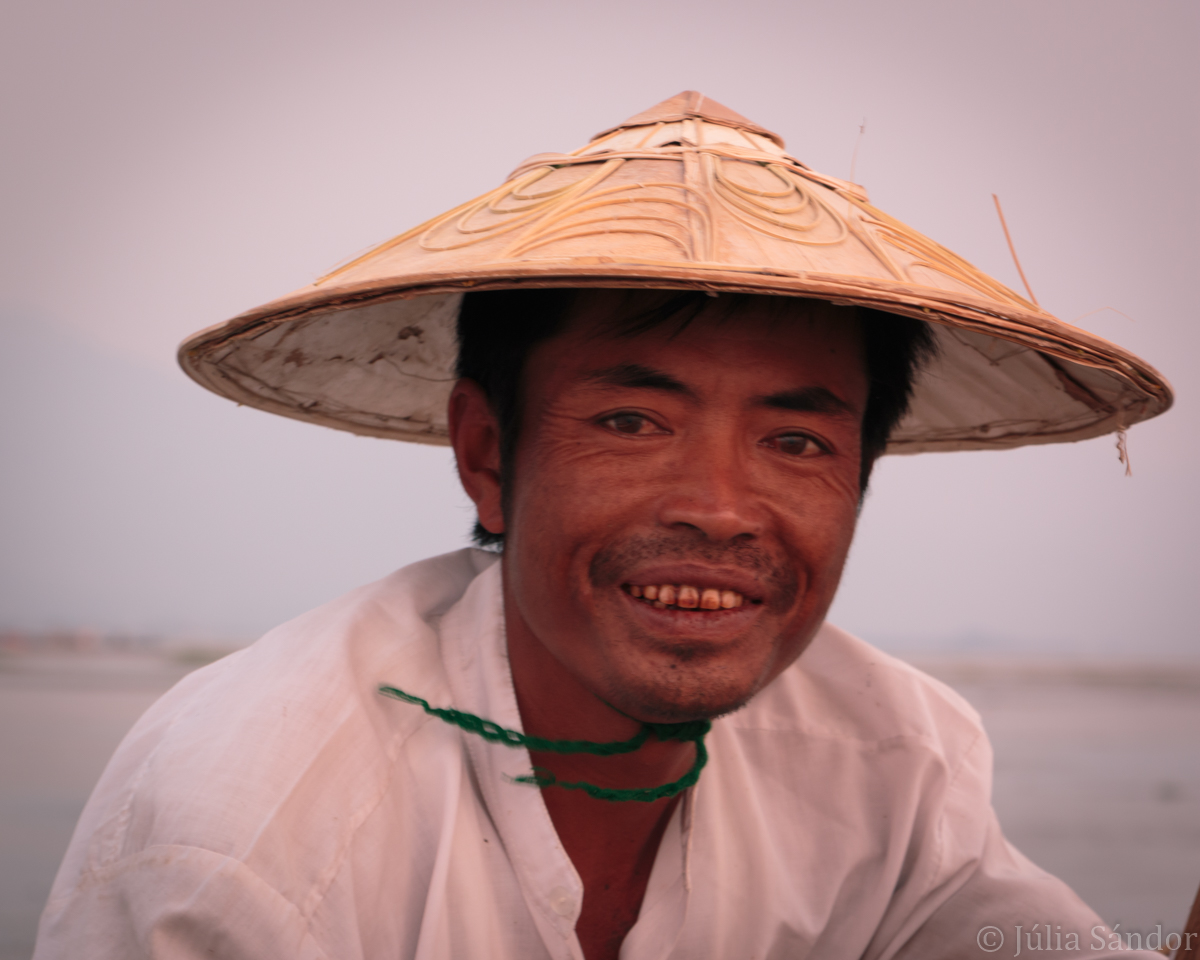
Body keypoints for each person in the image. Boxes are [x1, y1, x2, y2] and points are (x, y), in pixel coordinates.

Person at [36, 93, 1173, 959]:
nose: (720, 509)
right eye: (631, 420)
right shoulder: (248, 844)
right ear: (488, 455)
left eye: (797, 441)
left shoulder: (891, 762)